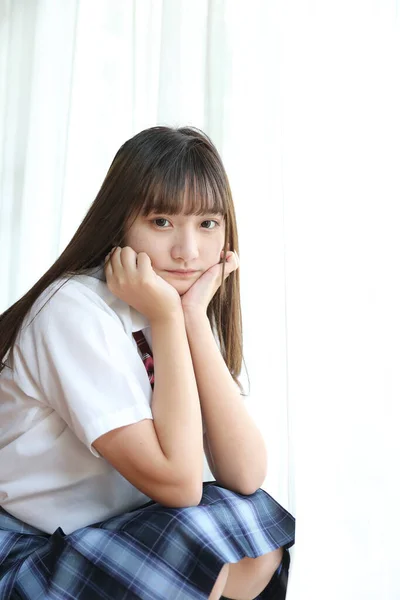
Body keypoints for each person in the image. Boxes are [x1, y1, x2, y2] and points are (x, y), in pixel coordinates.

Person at [0, 126, 295, 599]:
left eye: (207, 224)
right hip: (25, 549)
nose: (188, 251)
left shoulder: (168, 303)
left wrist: (192, 318)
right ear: (120, 223)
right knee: (196, 546)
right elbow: (180, 485)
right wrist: (166, 313)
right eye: (161, 222)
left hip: (104, 531)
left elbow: (244, 474)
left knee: (257, 532)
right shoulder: (73, 309)